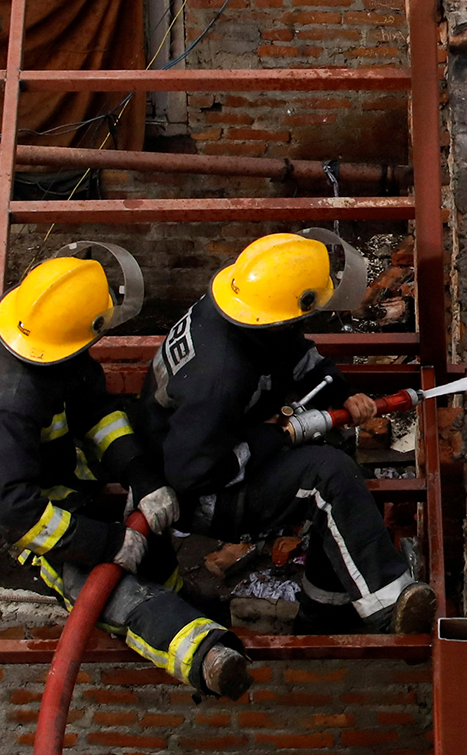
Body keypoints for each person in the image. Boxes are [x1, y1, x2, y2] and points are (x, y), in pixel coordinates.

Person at [0, 243, 251, 699]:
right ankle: (205, 655)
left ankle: (180, 597)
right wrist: (108, 542)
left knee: (143, 543)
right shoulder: (9, 405)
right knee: (83, 571)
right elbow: (19, 513)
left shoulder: (51, 346)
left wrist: (141, 476)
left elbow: (97, 414)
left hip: (43, 470)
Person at [138, 230, 435, 635]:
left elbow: (297, 356)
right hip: (201, 492)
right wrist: (277, 436)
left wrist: (344, 393)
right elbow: (191, 474)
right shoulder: (220, 376)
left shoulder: (245, 311)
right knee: (328, 476)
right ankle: (389, 608)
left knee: (342, 486)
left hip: (208, 443)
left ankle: (325, 616)